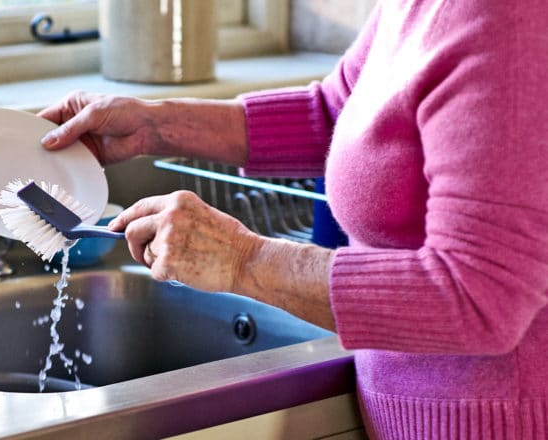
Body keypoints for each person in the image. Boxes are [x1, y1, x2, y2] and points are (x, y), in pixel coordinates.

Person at [37, 0, 548, 438]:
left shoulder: (509, 22)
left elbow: (480, 298)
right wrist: (152, 125)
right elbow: (338, 112)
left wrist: (244, 259)